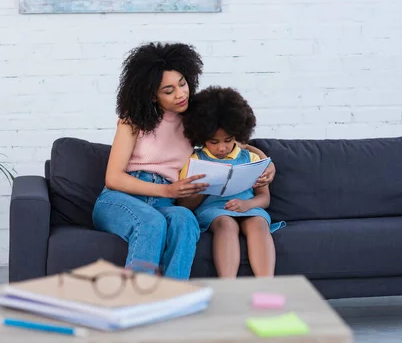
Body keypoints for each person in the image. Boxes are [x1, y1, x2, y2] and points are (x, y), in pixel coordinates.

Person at [92, 42, 276, 280]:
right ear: (152, 95)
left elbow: (233, 141)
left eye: (183, 84)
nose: (181, 94)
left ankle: (172, 298)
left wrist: (265, 160)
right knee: (152, 223)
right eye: (168, 91)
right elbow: (114, 177)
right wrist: (166, 189)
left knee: (186, 219)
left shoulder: (195, 120)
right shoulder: (132, 121)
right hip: (121, 199)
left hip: (165, 203)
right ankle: (135, 304)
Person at [178, 86, 286, 278]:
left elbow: (264, 198)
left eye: (228, 140)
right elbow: (184, 204)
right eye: (214, 142)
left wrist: (248, 204)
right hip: (214, 211)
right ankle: (228, 285)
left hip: (248, 207)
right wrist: (202, 189)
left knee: (259, 223)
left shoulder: (251, 157)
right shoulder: (195, 161)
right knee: (226, 224)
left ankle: (267, 284)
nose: (222, 148)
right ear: (202, 137)